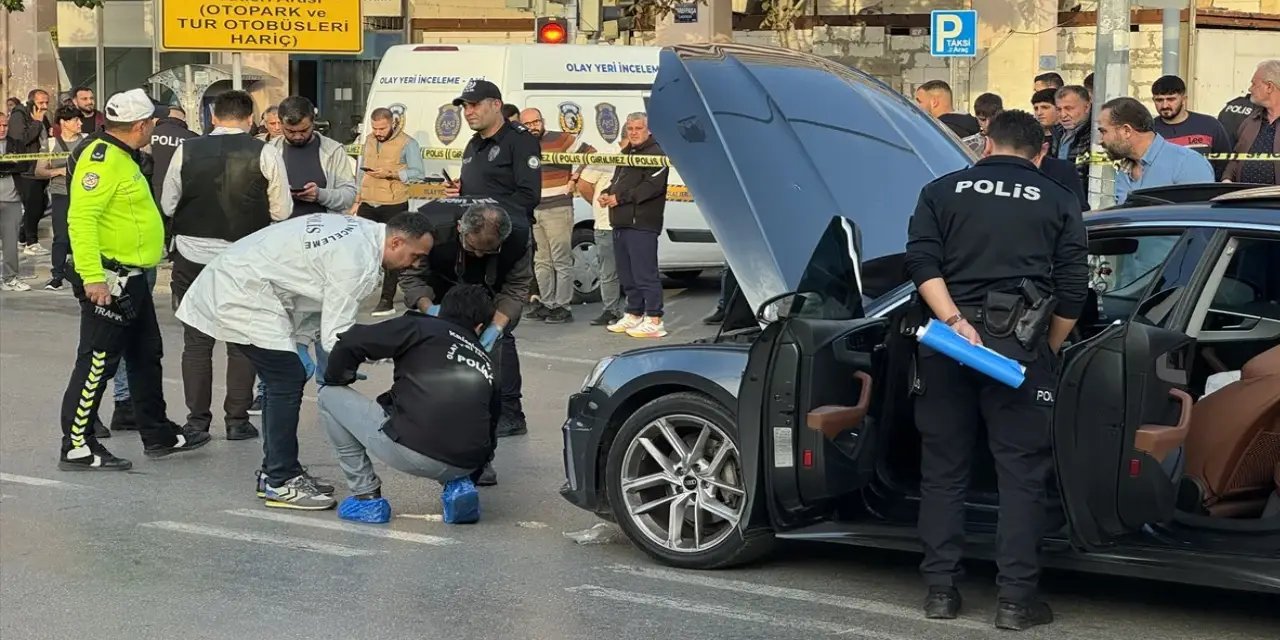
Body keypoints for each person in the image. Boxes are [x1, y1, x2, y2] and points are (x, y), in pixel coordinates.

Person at [904, 109, 1088, 630]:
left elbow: (921, 263)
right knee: (1021, 477)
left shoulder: (941, 190)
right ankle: (1014, 602)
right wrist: (1044, 348)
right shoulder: (1058, 198)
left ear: (986, 144)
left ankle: (940, 592)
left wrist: (956, 321)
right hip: (1018, 349)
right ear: (1041, 152)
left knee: (942, 472)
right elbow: (1074, 289)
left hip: (946, 344)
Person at [176, 211, 434, 509]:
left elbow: (316, 296)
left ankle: (276, 471)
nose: (415, 264)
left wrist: (300, 342)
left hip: (247, 283)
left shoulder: (365, 234)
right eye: (415, 256)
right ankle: (280, 481)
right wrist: (361, 361)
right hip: (242, 292)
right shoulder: (356, 259)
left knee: (282, 378)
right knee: (285, 378)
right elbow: (338, 333)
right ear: (396, 242)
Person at [58, 89, 212, 471]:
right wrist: (93, 279)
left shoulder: (122, 156)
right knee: (97, 361)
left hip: (133, 278)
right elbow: (81, 219)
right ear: (141, 125)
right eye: (152, 122)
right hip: (110, 279)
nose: (154, 127)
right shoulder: (103, 161)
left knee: (146, 354)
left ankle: (156, 431)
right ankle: (77, 444)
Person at [163, 89, 294, 441]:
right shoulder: (266, 152)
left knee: (196, 342)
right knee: (241, 340)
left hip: (191, 257)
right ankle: (236, 420)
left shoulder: (186, 150)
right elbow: (282, 211)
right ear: (250, 119)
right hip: (244, 258)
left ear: (213, 118)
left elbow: (168, 202)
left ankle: (196, 422)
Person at [320, 284, 499, 522]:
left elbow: (351, 340)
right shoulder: (487, 362)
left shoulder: (421, 326)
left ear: (441, 310)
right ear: (479, 327)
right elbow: (492, 428)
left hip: (413, 450)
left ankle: (367, 498)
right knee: (458, 418)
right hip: (467, 463)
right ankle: (459, 487)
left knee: (329, 395)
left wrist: (341, 376)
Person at [399, 198, 534, 482]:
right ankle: (432, 438)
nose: (480, 256)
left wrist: (496, 327)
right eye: (474, 249)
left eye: (489, 251)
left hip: (489, 294)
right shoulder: (431, 229)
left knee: (488, 372)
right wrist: (430, 310)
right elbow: (412, 278)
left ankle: (483, 454)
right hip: (439, 290)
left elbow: (517, 287)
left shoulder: (519, 234)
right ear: (461, 229)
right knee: (440, 372)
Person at [251, 95, 360, 406]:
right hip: (282, 245)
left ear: (313, 122)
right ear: (279, 125)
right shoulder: (266, 150)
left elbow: (348, 194)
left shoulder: (332, 150)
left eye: (304, 131)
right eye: (290, 131)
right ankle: (268, 389)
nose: (297, 137)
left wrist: (321, 194)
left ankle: (333, 386)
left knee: (328, 315)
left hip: (324, 245)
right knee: (278, 316)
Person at [447, 79, 541, 432]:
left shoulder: (518, 142)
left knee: (501, 326)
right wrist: (461, 193)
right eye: (464, 106)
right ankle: (481, 399)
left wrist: (488, 213)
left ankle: (510, 411)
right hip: (472, 246)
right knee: (475, 320)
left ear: (495, 105)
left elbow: (528, 196)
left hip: (506, 244)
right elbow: (476, 190)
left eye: (473, 105)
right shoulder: (473, 145)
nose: (468, 112)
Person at [521, 106, 594, 324]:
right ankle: (547, 303)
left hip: (558, 207)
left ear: (542, 121)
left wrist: (574, 179)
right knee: (542, 260)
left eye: (537, 122)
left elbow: (590, 153)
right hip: (535, 209)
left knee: (561, 260)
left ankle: (563, 306)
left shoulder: (560, 139)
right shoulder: (522, 144)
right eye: (529, 124)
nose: (534, 127)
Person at [600, 113, 670, 339]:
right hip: (620, 222)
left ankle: (654, 318)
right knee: (627, 274)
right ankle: (634, 312)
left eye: (638, 128)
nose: (633, 132)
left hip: (642, 223)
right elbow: (615, 182)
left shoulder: (657, 154)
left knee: (644, 273)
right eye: (630, 128)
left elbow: (651, 187)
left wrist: (620, 198)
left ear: (649, 130)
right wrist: (606, 194)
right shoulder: (626, 153)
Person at [355, 106, 426, 316]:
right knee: (364, 250)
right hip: (368, 203)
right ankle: (359, 291)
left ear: (392, 123)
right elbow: (362, 172)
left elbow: (418, 174)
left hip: (393, 204)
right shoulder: (368, 140)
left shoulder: (407, 143)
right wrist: (357, 200)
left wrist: (392, 174)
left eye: (382, 128)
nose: (378, 132)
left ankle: (387, 299)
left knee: (392, 253)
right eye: (375, 128)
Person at [1097, 97, 1214, 204]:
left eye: (1103, 131)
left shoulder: (1188, 164)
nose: (1100, 140)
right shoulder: (1123, 170)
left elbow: (1199, 221)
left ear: (1126, 131)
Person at [34, 104, 87, 291]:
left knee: (84, 234)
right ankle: (57, 275)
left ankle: (83, 271)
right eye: (76, 120)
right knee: (61, 236)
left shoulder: (87, 141)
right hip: (60, 194)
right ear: (64, 123)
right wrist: (60, 171)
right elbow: (39, 171)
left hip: (84, 194)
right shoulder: (50, 143)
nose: (80, 123)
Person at [576, 143, 624, 326]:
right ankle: (611, 310)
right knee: (608, 271)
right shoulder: (606, 154)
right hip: (606, 224)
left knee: (633, 270)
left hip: (629, 223)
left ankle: (636, 311)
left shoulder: (643, 155)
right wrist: (597, 205)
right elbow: (584, 184)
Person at [1150, 75, 1232, 180]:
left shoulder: (1210, 125)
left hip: (1204, 191)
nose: (1165, 105)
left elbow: (1226, 162)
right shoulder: (1148, 130)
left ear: (1184, 99)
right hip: (1160, 193)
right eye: (1159, 100)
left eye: (1171, 99)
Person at [6, 88, 50, 254]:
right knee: (33, 205)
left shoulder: (42, 115)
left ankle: (22, 237)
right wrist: (37, 122)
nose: (44, 106)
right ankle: (32, 242)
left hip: (41, 165)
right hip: (25, 168)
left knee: (42, 204)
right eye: (40, 103)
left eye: (46, 102)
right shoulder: (19, 115)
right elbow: (21, 140)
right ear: (31, 102)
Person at [1222, 59, 1280, 186]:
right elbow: (1237, 158)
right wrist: (1227, 179)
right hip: (1246, 202)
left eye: (1254, 84)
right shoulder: (1250, 121)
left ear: (1269, 87)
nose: (1250, 89)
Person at [1, 111, 30, 291]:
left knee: (11, 244)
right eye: (0, 125)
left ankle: (10, 278)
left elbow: (24, 164)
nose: (3, 129)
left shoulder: (16, 144)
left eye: (5, 125)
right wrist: (8, 165)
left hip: (12, 200)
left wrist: (7, 166)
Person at [1050, 85, 1092, 189]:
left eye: (1069, 108)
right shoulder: (1058, 132)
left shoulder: (1095, 136)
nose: (1063, 115)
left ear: (1086, 107)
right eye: (1059, 109)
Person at [914, 80, 981, 138]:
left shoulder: (939, 132)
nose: (916, 106)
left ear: (934, 102)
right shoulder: (976, 127)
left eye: (919, 102)